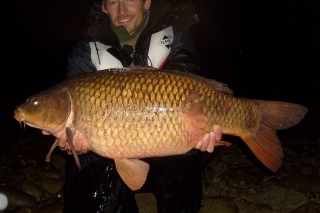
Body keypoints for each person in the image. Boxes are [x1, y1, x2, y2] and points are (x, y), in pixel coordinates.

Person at [58, 0, 223, 212]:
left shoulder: (175, 34)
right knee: (89, 191)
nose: (122, 10)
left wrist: (201, 130)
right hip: (110, 158)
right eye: (113, 2)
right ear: (103, 7)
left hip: (170, 146)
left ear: (147, 2)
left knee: (182, 175)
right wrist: (76, 147)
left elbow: (188, 88)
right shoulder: (85, 52)